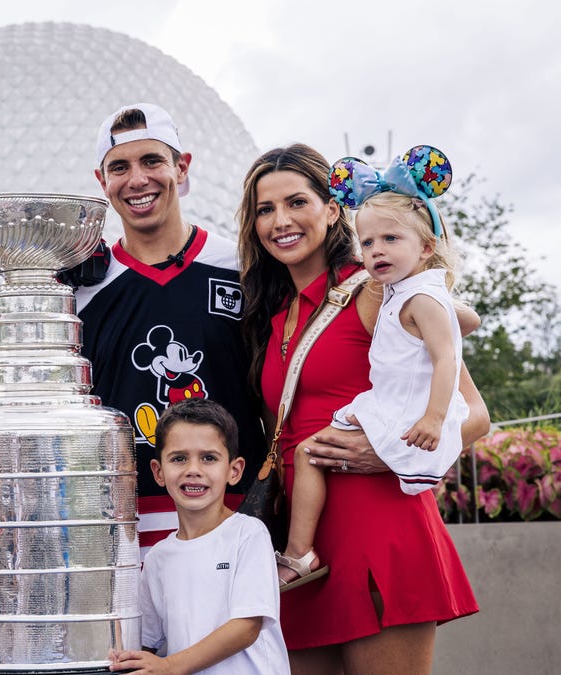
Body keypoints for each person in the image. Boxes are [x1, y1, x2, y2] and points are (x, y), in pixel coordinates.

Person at [236, 143, 488, 674]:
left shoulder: (378, 289)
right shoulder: (269, 312)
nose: (280, 220)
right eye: (265, 209)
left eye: (297, 202)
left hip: (377, 522)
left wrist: (390, 452)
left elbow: (476, 414)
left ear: (332, 210)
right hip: (298, 545)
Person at [74, 102, 267, 555]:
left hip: (234, 517)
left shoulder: (245, 268)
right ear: (102, 182)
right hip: (121, 528)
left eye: (152, 161)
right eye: (119, 167)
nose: (137, 179)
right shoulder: (80, 289)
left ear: (182, 168)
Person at [279, 147, 471, 590]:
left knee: (310, 451)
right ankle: (300, 550)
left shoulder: (411, 297)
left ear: (426, 247)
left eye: (390, 240)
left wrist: (434, 419)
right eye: (367, 243)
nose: (376, 251)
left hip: (399, 426)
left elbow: (450, 361)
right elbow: (464, 322)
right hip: (382, 415)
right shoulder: (396, 293)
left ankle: (297, 552)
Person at [107, 398, 288, 674]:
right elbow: (146, 643)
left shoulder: (248, 534)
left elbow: (247, 627)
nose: (194, 469)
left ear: (234, 470)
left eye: (209, 458)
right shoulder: (157, 558)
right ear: (158, 471)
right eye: (179, 458)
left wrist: (168, 666)